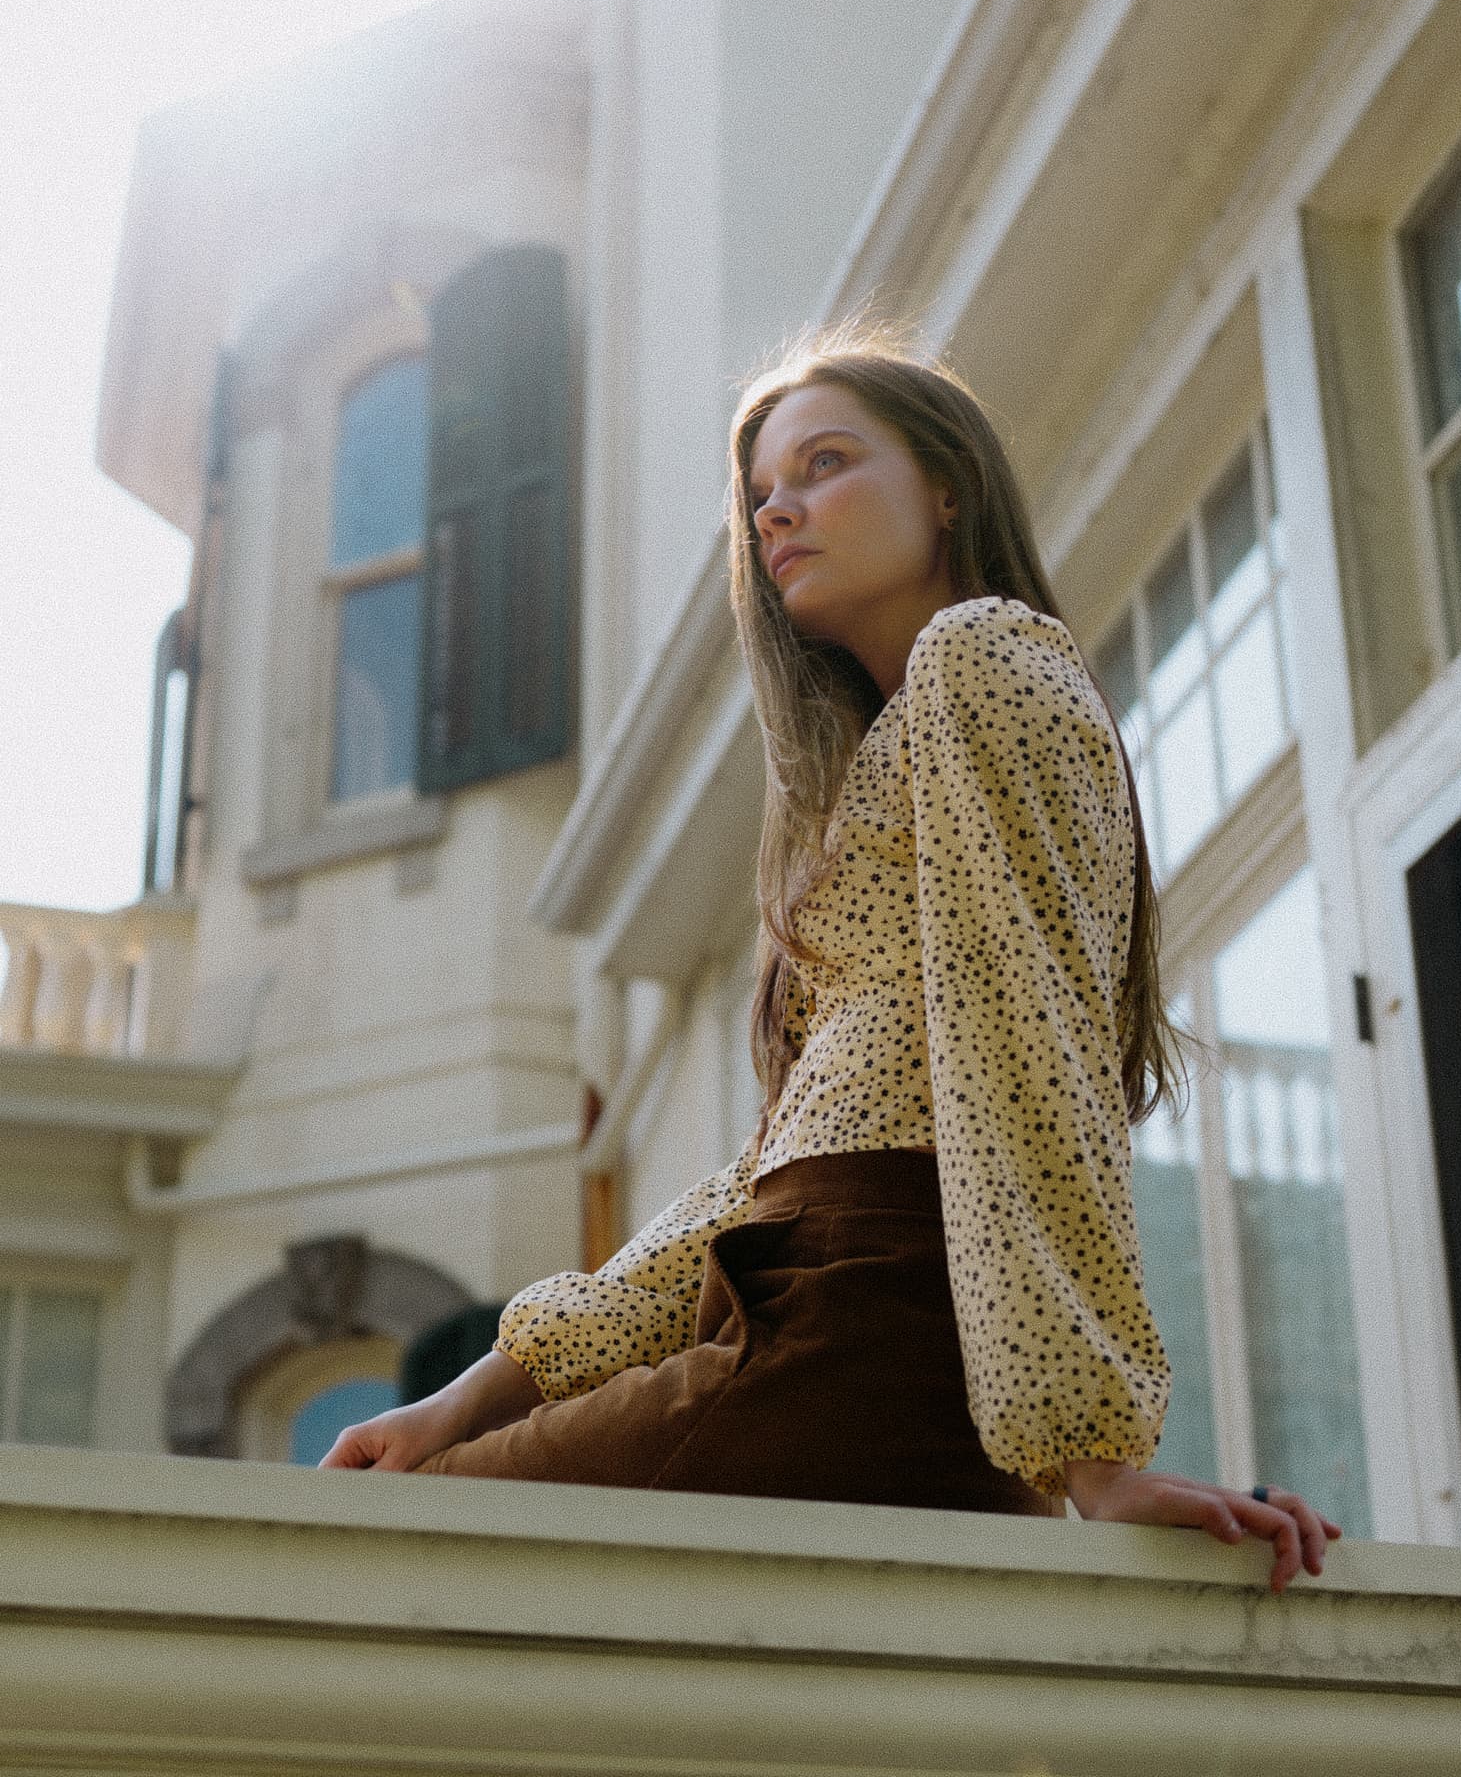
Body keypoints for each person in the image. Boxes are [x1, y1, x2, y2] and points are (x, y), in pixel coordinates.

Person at [321, 329, 1341, 1595]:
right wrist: (472, 1396)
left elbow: (1023, 1057)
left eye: (827, 461)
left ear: (949, 483)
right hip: (818, 1314)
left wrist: (1087, 1450)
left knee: (382, 1560)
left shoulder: (985, 656)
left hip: (863, 1329)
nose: (780, 509)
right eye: (761, 496)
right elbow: (758, 1182)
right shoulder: (890, 767)